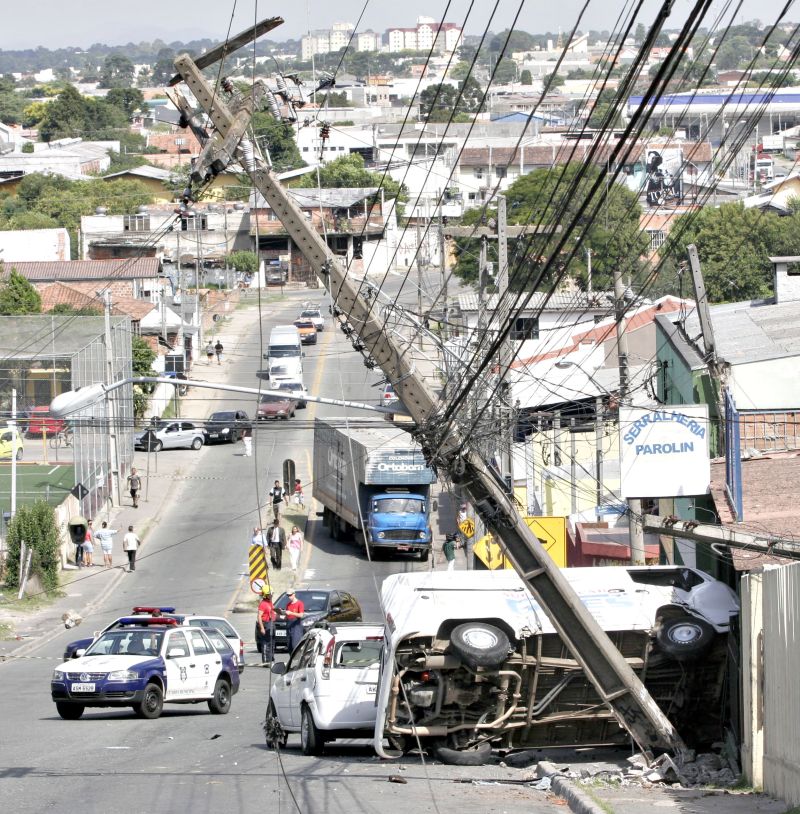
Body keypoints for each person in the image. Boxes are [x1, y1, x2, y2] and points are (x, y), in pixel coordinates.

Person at [256, 587, 276, 666]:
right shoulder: (263, 604)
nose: (271, 595)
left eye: (272, 594)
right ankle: (265, 661)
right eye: (270, 594)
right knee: (265, 644)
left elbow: (273, 612)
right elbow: (259, 616)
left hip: (271, 623)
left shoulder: (270, 602)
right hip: (265, 624)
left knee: (272, 643)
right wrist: (262, 628)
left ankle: (271, 659)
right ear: (266, 595)